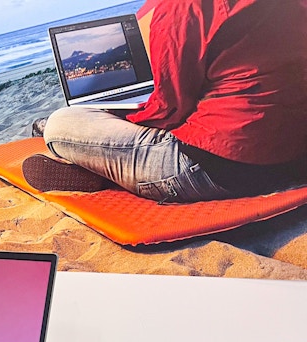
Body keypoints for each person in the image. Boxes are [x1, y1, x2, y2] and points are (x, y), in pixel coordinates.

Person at [23, 0, 307, 202]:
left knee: (61, 122)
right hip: (293, 160)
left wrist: (119, 116)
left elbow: (169, 111)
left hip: (218, 171)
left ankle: (101, 172)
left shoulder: (182, 7)